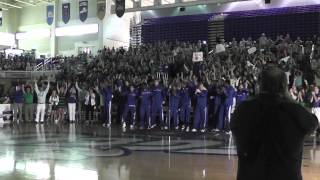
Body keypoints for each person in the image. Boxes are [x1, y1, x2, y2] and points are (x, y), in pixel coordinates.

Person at [231, 65, 318, 180]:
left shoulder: (243, 109)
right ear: (284, 86)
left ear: (260, 85)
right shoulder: (294, 110)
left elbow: (234, 126)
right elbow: (313, 124)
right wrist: (291, 100)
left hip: (250, 174)